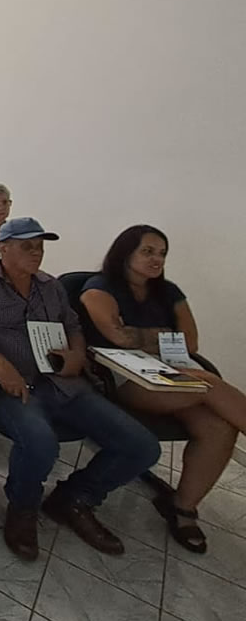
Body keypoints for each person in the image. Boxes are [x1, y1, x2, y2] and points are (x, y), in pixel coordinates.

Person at [0, 218, 160, 561]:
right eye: (27, 246)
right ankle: (23, 507)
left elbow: (72, 325)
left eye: (40, 246)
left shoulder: (51, 286)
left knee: (142, 446)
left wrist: (77, 354)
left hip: (64, 383)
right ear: (3, 248)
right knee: (40, 442)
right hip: (13, 386)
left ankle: (75, 497)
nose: (37, 253)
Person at [81, 225, 246, 553]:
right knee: (208, 384)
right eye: (147, 251)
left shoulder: (169, 292)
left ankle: (182, 507)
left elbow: (191, 342)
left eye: (162, 253)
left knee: (219, 427)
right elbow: (117, 337)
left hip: (173, 373)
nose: (156, 259)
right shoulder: (99, 287)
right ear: (126, 253)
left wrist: (141, 335)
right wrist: (162, 336)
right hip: (125, 376)